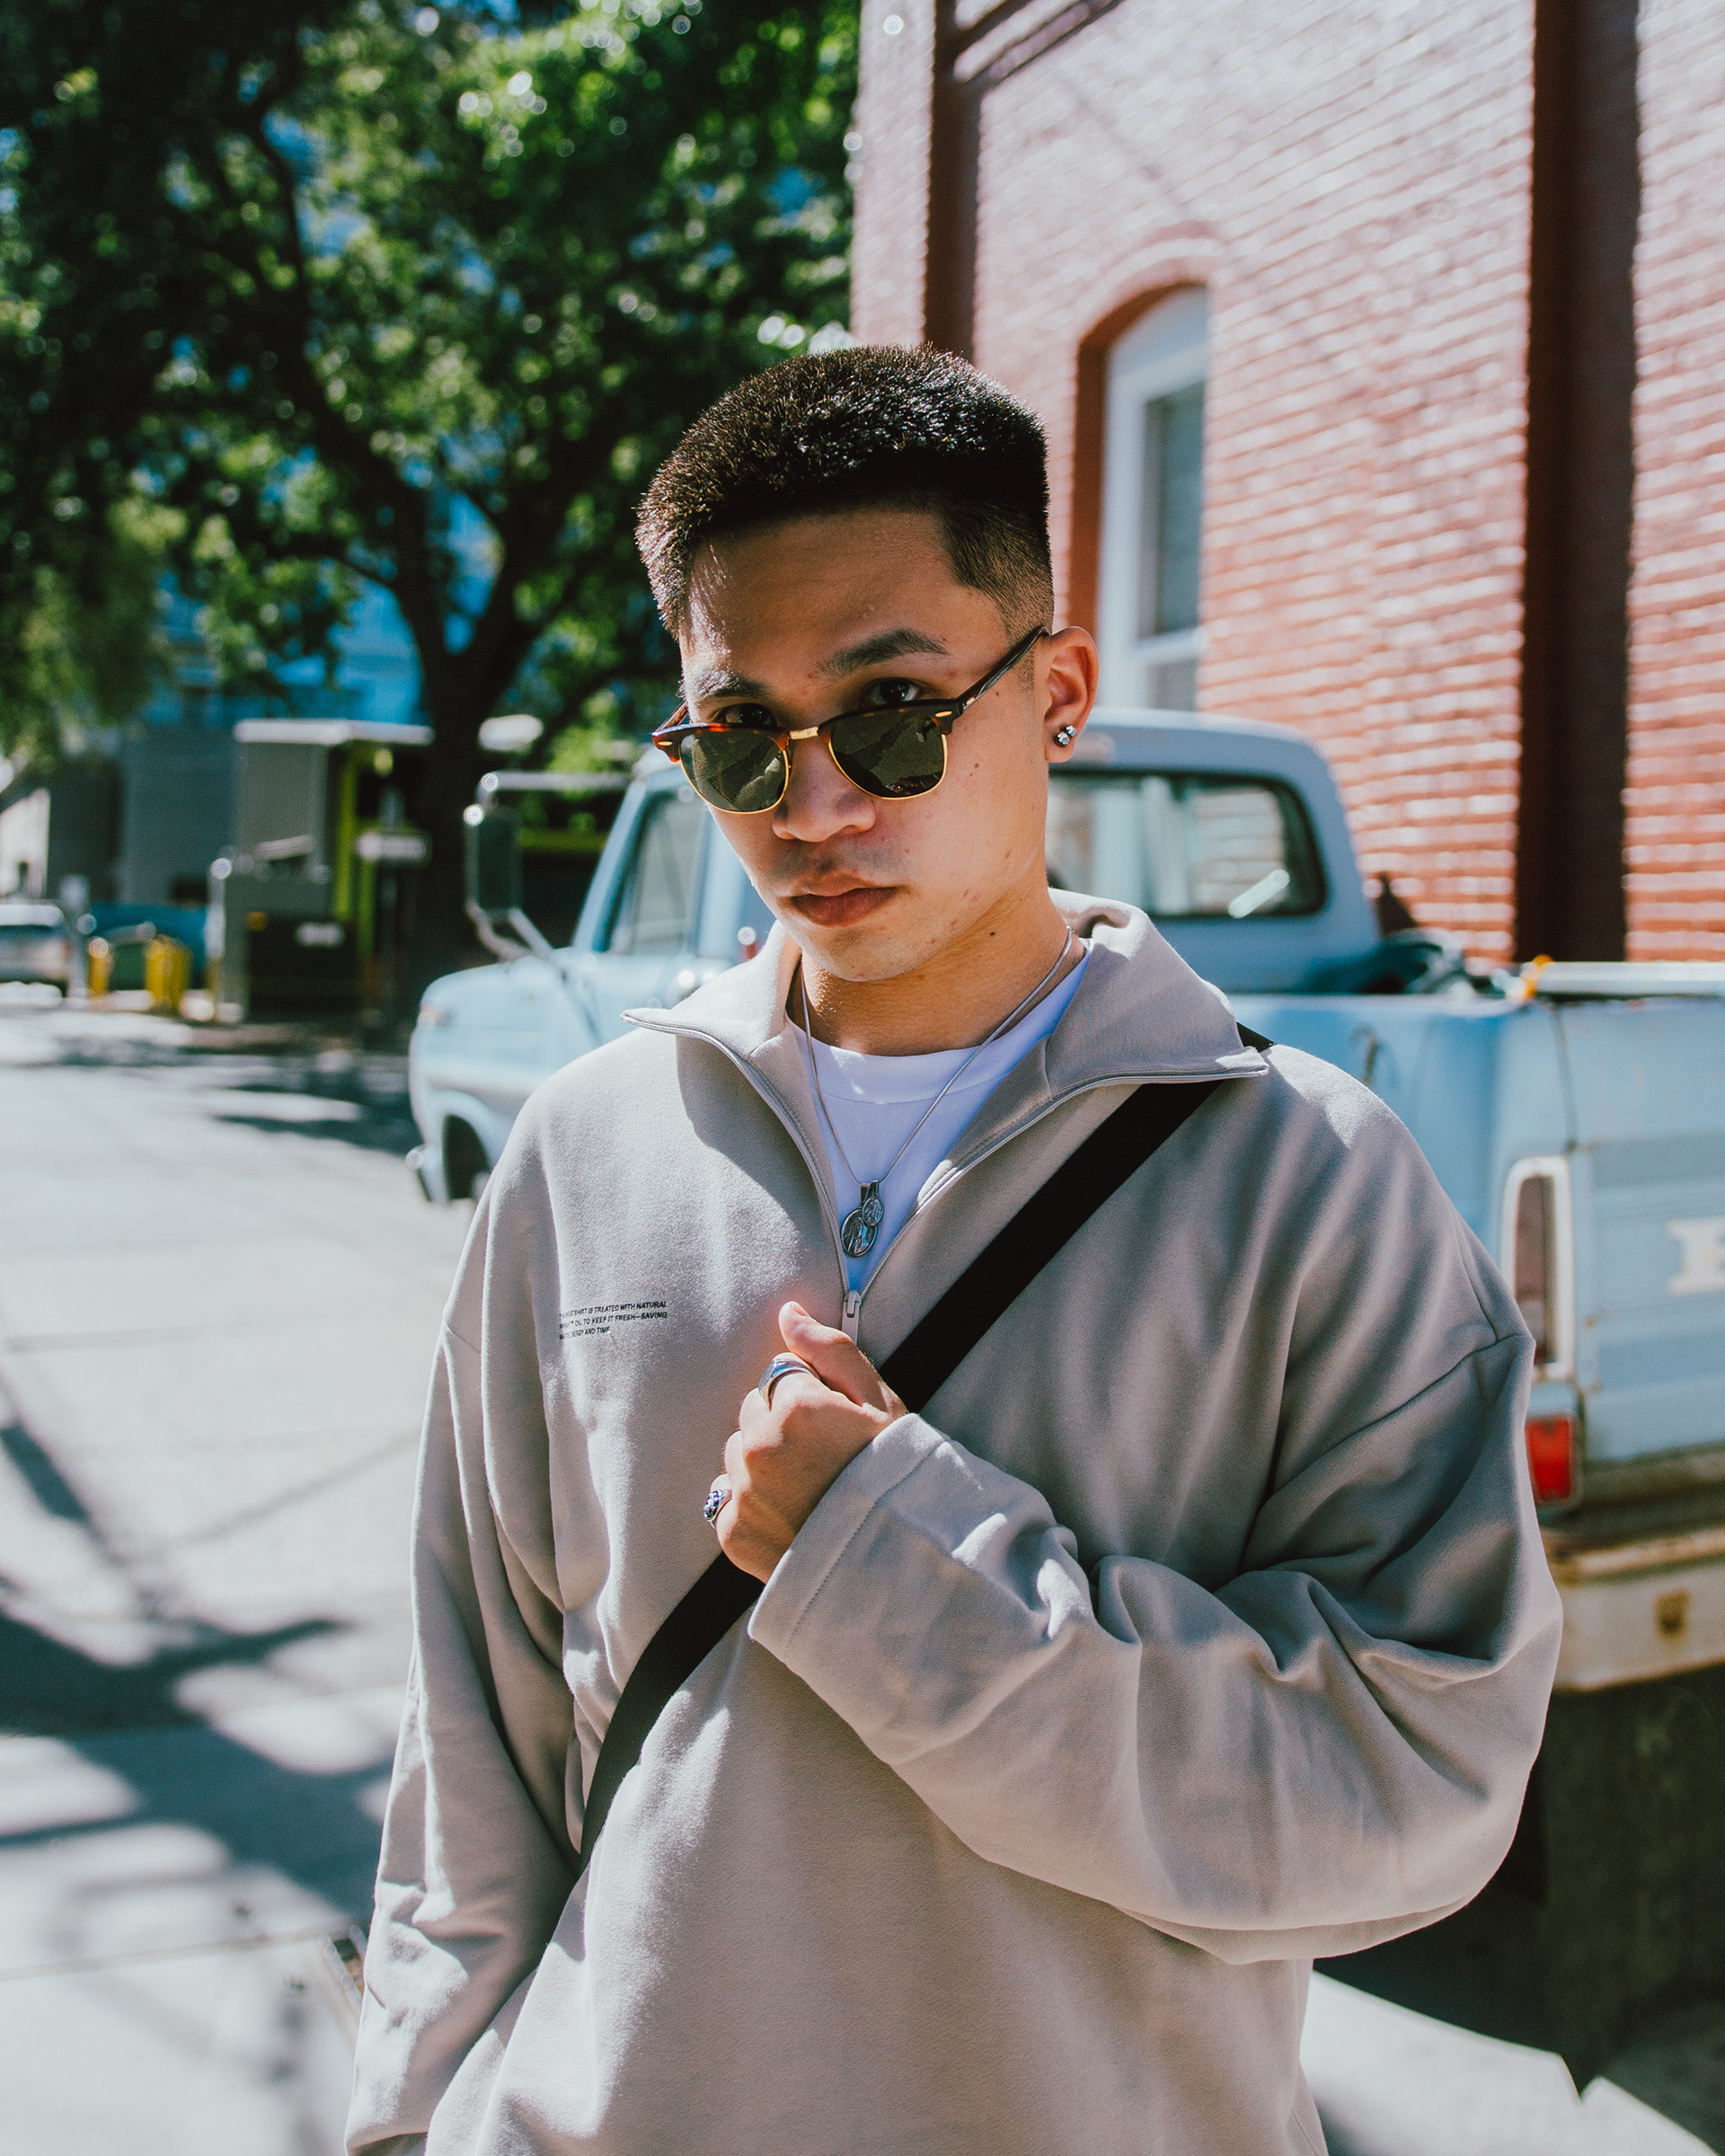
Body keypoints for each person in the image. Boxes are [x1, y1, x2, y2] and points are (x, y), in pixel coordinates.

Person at [348, 346, 1561, 2156]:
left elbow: (1420, 1786)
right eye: (739, 737)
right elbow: (474, 1743)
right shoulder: (585, 1150)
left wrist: (896, 1566)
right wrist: (406, 2117)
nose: (815, 808)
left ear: (1056, 691)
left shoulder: (1310, 1181)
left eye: (894, 714)